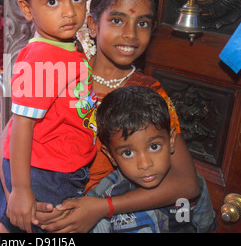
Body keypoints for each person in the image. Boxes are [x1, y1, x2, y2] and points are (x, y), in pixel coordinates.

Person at [0, 0, 200, 233]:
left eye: (142, 23)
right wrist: (16, 196)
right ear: (93, 25)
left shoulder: (148, 93)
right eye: (117, 20)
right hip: (22, 209)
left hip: (89, 219)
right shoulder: (61, 67)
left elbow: (187, 184)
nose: (130, 34)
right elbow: (9, 136)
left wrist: (101, 207)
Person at [0, 0, 97, 233]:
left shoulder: (64, 47)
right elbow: (21, 124)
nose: (69, 12)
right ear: (26, 8)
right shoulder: (43, 56)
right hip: (44, 173)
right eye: (52, 1)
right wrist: (21, 189)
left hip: (53, 166)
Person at [89, 85, 217, 233]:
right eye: (128, 153)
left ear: (171, 141)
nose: (145, 164)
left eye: (154, 147)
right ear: (111, 156)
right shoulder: (103, 197)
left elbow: (205, 227)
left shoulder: (196, 185)